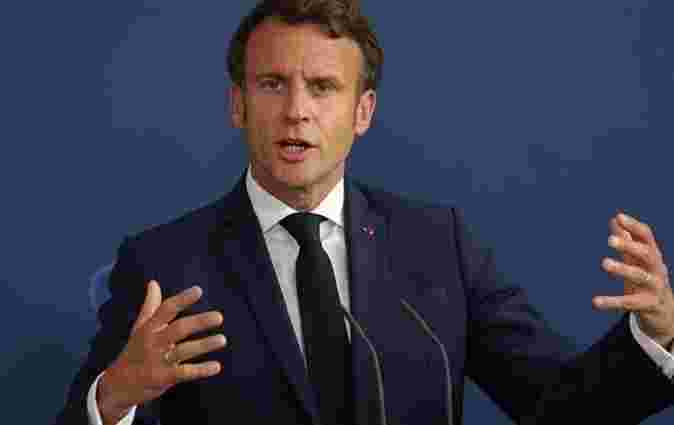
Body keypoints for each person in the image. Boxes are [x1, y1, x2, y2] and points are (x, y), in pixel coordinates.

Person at [56, 1, 674, 424]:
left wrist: (657, 336)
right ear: (238, 105)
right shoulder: (164, 263)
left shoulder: (440, 246)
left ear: (363, 112)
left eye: (323, 87)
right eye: (272, 84)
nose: (296, 110)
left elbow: (558, 407)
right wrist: (115, 397)